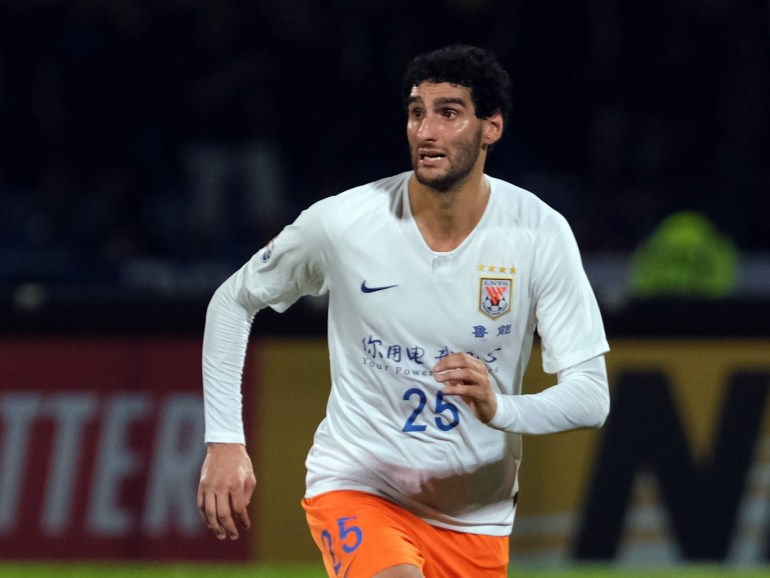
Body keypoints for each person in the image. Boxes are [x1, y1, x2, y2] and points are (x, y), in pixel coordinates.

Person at [197, 44, 610, 578]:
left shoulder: (539, 233)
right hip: (359, 485)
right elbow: (234, 300)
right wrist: (225, 441)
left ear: (492, 127)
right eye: (417, 112)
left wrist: (500, 408)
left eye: (449, 112)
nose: (427, 130)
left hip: (474, 519)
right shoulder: (344, 223)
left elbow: (590, 396)